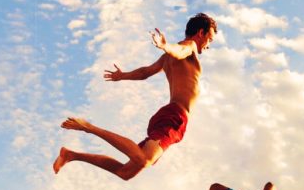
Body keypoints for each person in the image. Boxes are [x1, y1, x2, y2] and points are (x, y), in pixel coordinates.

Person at [53, 13, 217, 180]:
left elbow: (145, 72)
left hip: (171, 116)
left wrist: (122, 75)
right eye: (210, 39)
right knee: (144, 160)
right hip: (175, 116)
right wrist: (166, 46)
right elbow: (180, 50)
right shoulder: (189, 47)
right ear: (201, 33)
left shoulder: (166, 59)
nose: (209, 45)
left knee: (125, 172)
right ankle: (88, 127)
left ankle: (71, 155)